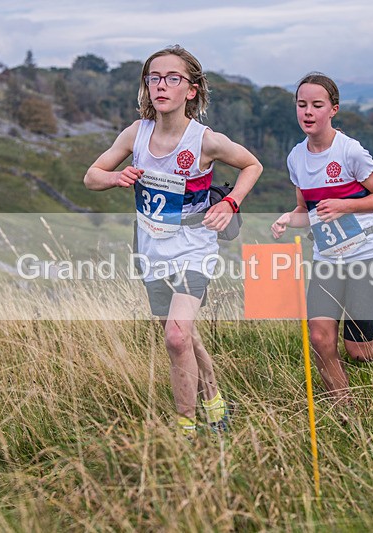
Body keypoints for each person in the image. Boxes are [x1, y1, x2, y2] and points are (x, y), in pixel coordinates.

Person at [84, 45, 262, 439]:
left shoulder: (205, 140)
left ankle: (185, 430)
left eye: (172, 78)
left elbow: (252, 164)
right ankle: (215, 404)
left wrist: (231, 203)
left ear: (192, 90)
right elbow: (91, 176)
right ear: (146, 86)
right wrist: (116, 178)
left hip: (194, 250)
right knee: (185, 337)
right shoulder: (136, 133)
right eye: (154, 78)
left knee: (176, 336)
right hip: (151, 250)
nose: (161, 85)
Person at [271, 72, 373, 405]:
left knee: (358, 349)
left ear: (333, 109)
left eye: (317, 105)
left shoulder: (351, 152)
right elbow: (306, 211)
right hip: (327, 260)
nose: (307, 112)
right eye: (301, 105)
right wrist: (286, 219)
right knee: (321, 339)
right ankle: (346, 413)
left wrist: (345, 205)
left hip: (364, 257)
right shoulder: (296, 158)